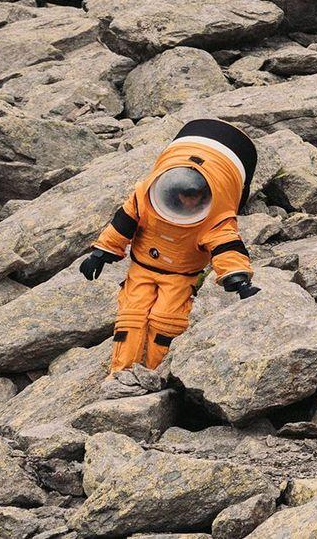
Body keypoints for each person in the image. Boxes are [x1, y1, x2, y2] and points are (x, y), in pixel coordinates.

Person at [77, 119, 261, 383]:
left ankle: (153, 373)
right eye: (184, 196)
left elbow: (227, 247)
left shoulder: (216, 215)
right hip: (142, 269)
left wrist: (238, 279)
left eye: (194, 197)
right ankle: (121, 374)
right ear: (173, 188)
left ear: (204, 194)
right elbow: (124, 221)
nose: (188, 202)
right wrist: (101, 252)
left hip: (179, 277)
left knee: (166, 321)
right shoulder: (149, 195)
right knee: (131, 316)